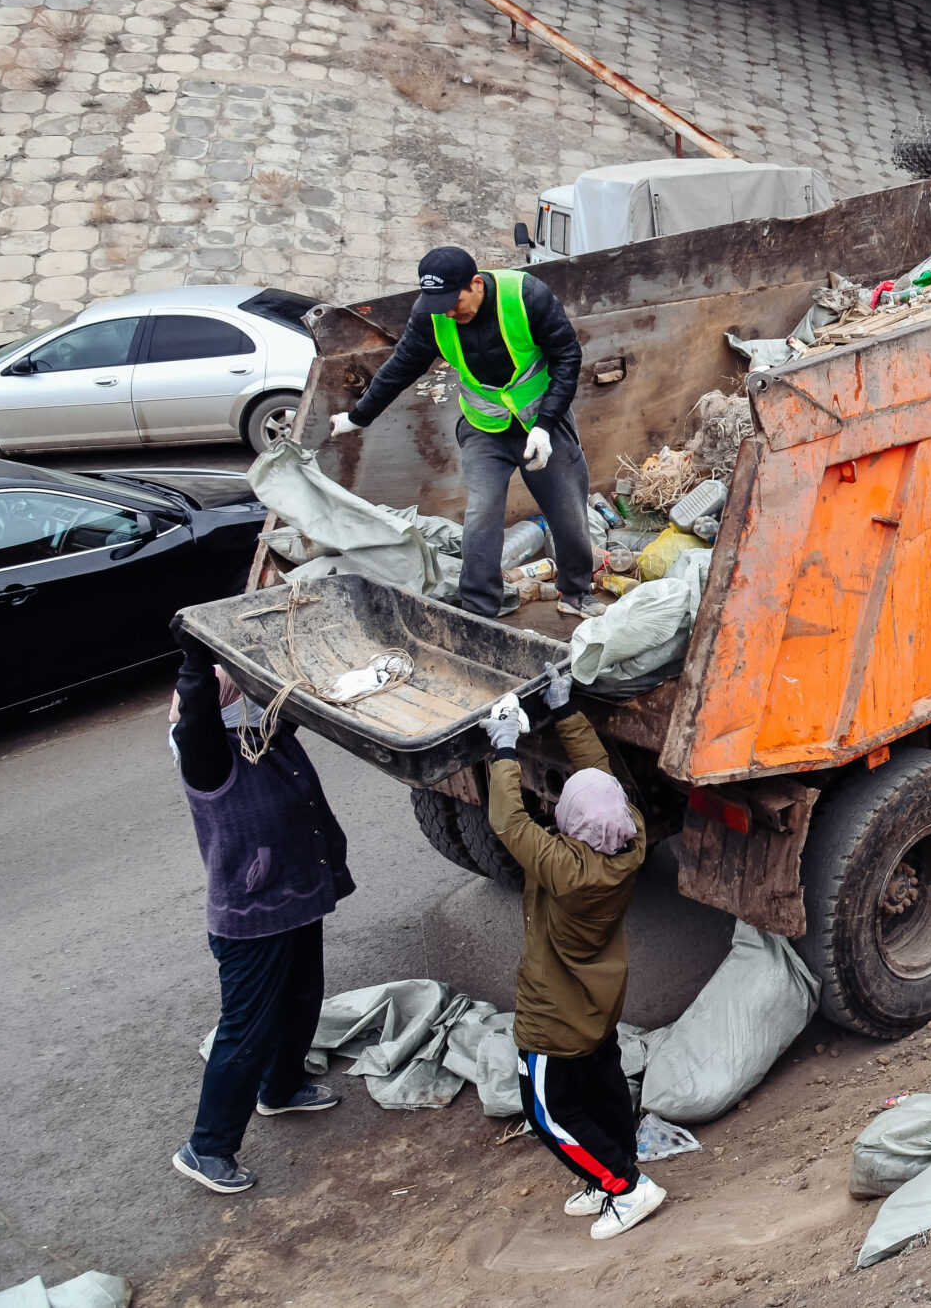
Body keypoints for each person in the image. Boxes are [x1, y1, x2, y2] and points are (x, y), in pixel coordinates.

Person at [483, 674, 666, 1239]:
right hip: (596, 1004)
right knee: (600, 1086)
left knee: (549, 1112)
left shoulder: (568, 870)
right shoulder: (628, 835)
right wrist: (565, 712)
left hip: (554, 1016)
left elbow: (508, 821)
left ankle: (624, 1189)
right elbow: (604, 778)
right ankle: (615, 1169)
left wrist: (504, 747)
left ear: (575, 830)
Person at [330, 246, 604, 621]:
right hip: (484, 427)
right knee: (481, 513)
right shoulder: (432, 315)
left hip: (540, 420)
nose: (448, 312)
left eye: (454, 301)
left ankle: (575, 593)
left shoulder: (525, 295)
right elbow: (402, 366)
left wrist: (545, 425)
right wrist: (358, 417)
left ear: (476, 283)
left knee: (568, 508)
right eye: (439, 303)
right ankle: (479, 608)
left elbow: (568, 358)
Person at [170, 644, 355, 1196]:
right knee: (245, 1032)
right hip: (252, 919)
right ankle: (207, 1147)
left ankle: (283, 1087)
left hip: (297, 897)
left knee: (303, 1000)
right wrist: (198, 659)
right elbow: (199, 709)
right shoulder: (207, 756)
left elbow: (290, 690)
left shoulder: (266, 739)